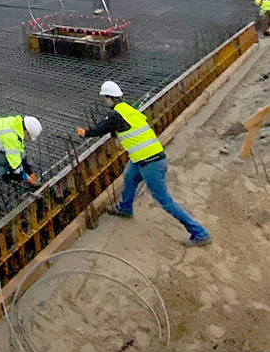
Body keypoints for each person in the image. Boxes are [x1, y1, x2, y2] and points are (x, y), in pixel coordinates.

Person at [78, 80, 211, 247]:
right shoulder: (128, 110)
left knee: (164, 200)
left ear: (109, 98)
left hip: (151, 162)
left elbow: (100, 129)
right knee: (129, 176)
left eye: (105, 98)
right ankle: (125, 208)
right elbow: (124, 127)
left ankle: (200, 233)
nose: (105, 101)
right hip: (143, 158)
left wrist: (85, 133)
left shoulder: (115, 115)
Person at [0, 115, 42, 187]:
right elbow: (15, 166)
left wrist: (30, 173)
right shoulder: (11, 137)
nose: (29, 140)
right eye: (29, 138)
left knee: (20, 154)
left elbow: (20, 153)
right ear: (26, 132)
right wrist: (28, 179)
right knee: (5, 170)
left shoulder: (17, 125)